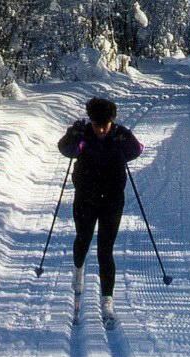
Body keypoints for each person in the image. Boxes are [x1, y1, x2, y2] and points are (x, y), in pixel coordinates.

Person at [56, 97, 143, 326]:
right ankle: (78, 279)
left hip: (112, 199)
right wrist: (72, 135)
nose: (101, 129)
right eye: (97, 124)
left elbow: (137, 150)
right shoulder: (84, 134)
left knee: (106, 249)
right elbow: (66, 149)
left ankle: (107, 302)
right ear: (91, 122)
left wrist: (123, 140)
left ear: (112, 122)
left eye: (105, 125)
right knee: (82, 241)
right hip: (86, 197)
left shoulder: (118, 134)